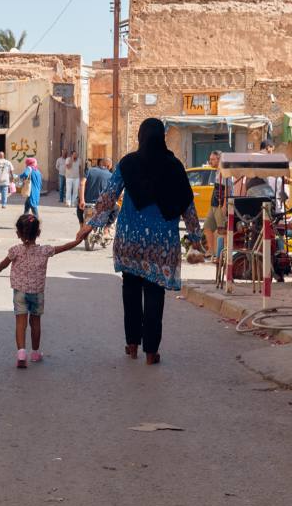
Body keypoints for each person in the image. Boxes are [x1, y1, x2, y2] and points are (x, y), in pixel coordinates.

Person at [77, 118, 205, 364]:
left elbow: (109, 196)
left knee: (131, 289)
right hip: (161, 242)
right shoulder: (174, 166)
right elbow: (187, 203)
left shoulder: (128, 163)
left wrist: (91, 224)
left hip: (130, 240)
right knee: (155, 292)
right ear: (162, 137)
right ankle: (151, 352)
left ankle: (132, 344)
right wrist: (195, 235)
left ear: (141, 136)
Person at [0, 214, 83, 368]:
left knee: (21, 323)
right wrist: (78, 241)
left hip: (20, 292)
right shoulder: (45, 250)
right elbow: (64, 247)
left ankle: (21, 353)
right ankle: (35, 353)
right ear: (38, 233)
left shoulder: (15, 250)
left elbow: (3, 264)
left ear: (18, 234)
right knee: (35, 323)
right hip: (37, 293)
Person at [201, 150, 227, 260]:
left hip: (220, 205)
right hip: (214, 205)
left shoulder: (223, 172)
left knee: (222, 230)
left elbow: (227, 189)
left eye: (212, 159)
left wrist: (225, 204)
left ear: (219, 160)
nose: (210, 161)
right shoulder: (217, 172)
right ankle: (211, 251)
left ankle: (224, 252)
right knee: (207, 226)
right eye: (210, 159)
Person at [77, 156, 114, 232]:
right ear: (109, 165)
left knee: (79, 206)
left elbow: (82, 183)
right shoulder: (111, 175)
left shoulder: (90, 170)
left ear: (101, 163)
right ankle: (106, 229)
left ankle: (81, 227)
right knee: (116, 209)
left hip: (88, 202)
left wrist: (82, 200)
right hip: (102, 204)